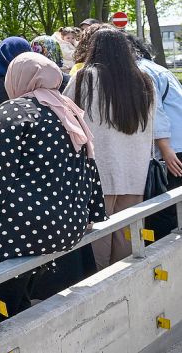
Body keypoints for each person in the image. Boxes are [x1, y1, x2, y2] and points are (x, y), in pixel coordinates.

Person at [0, 52, 107, 325]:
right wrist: (94, 212)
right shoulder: (69, 111)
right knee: (19, 297)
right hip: (67, 228)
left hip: (21, 232)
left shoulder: (14, 110)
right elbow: (89, 166)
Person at [64, 28, 155, 270]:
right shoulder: (143, 81)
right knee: (128, 241)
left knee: (95, 240)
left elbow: (65, 119)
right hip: (134, 172)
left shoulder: (84, 78)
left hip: (97, 172)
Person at [125, 34, 182, 239]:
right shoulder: (157, 67)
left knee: (164, 209)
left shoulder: (141, 70)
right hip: (177, 143)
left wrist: (165, 149)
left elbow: (155, 111)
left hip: (171, 148)